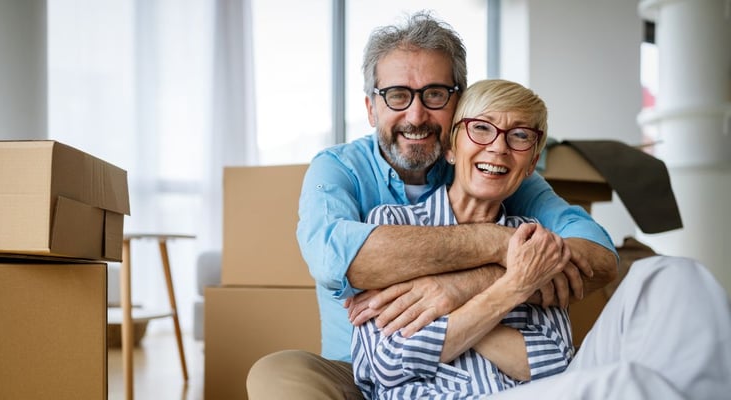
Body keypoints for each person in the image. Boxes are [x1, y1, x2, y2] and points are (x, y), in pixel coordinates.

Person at [247, 11, 618, 399]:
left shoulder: (494, 170)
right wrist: (500, 249)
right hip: (361, 374)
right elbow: (335, 261)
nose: (416, 115)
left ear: (458, 104)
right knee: (278, 373)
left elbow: (597, 256)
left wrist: (460, 288)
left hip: (501, 381)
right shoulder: (340, 169)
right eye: (397, 95)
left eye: (435, 94)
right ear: (372, 108)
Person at [352, 79, 575, 399]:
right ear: (451, 148)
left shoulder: (535, 241)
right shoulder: (392, 224)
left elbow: (555, 364)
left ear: (531, 164)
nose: (499, 147)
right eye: (481, 128)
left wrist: (453, 304)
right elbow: (392, 362)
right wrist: (515, 287)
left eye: (520, 136)